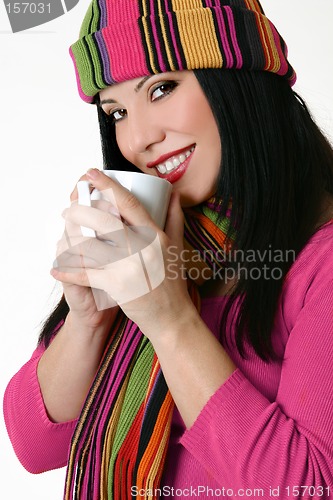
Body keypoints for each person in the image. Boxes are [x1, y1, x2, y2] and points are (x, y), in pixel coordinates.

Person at [4, 0, 333, 498]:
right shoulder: (154, 246)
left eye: (161, 88)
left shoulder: (320, 263)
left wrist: (169, 319)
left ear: (239, 79)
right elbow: (34, 445)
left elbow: (308, 487)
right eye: (116, 112)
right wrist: (89, 320)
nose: (138, 140)